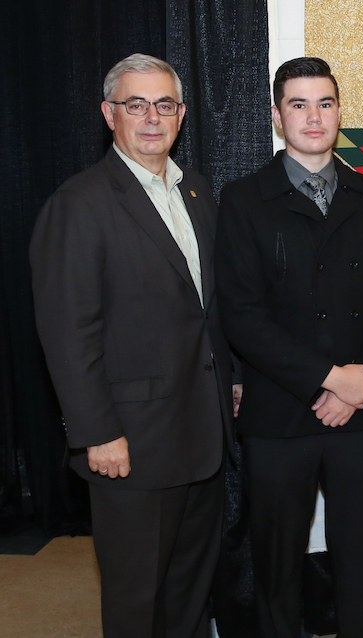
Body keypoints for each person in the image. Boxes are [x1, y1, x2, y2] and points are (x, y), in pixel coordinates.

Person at [29, 54, 232, 638]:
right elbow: (68, 332)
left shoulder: (195, 189)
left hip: (201, 432)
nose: (151, 117)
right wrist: (96, 431)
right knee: (136, 598)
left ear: (182, 114)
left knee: (191, 590)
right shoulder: (80, 204)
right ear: (107, 114)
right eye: (134, 104)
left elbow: (205, 307)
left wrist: (231, 381)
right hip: (130, 443)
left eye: (163, 104)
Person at [214, 57, 363, 638]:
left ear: (340, 112)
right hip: (279, 413)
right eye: (298, 104)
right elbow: (242, 316)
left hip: (362, 413)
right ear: (277, 116)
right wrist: (330, 378)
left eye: (325, 102)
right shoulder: (244, 200)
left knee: (359, 564)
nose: (313, 116)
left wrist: (359, 385)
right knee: (277, 569)